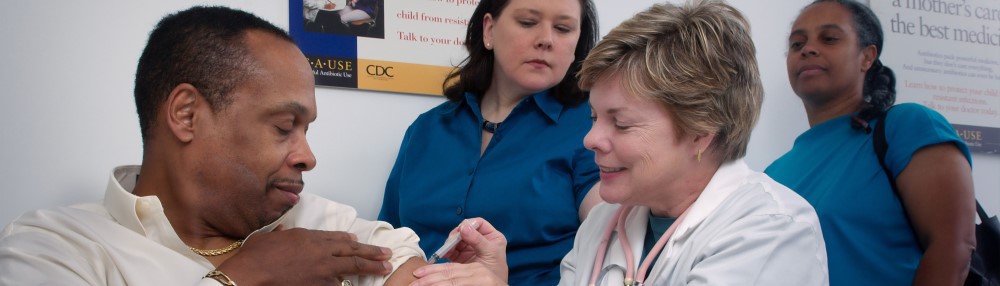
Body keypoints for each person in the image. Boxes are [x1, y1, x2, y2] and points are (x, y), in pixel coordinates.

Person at [409, 1, 829, 285]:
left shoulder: (771, 231)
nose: (590, 138)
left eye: (621, 124)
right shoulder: (604, 223)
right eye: (594, 117)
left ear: (703, 130)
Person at [0, 6, 427, 285]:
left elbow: (407, 265)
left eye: (306, 130)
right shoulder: (56, 247)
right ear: (187, 115)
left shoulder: (312, 221)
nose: (307, 157)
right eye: (283, 126)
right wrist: (245, 278)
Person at [377, 0, 601, 284]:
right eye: (528, 22)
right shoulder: (427, 129)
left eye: (563, 28)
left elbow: (615, 241)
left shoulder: (593, 127)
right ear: (489, 30)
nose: (546, 39)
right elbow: (386, 242)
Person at [765, 1, 977, 285]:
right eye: (796, 44)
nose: (808, 49)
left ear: (867, 56)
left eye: (829, 38)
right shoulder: (772, 174)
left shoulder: (907, 126)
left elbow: (954, 245)